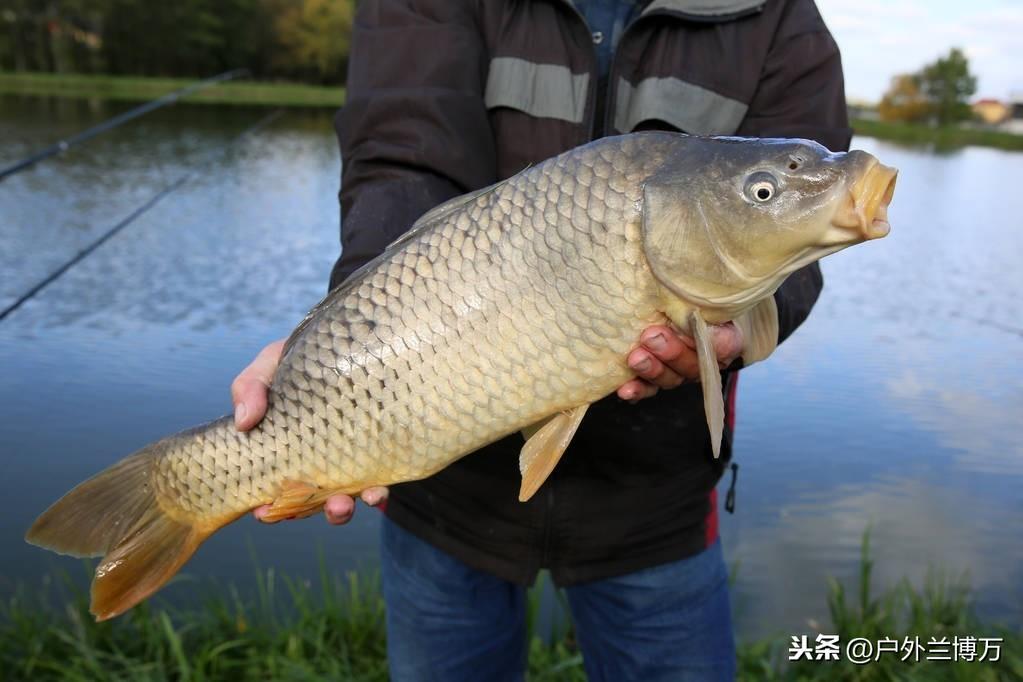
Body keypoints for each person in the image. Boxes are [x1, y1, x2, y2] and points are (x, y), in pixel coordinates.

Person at [232, 1, 850, 679]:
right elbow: (402, 160)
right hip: (440, 484)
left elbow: (792, 240)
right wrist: (340, 345)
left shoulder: (774, 12)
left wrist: (735, 332)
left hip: (656, 499)